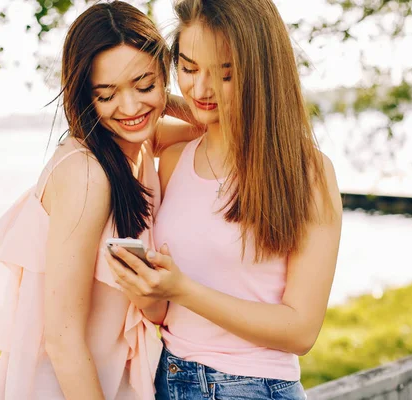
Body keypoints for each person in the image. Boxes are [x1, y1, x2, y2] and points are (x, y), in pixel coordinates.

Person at [106, 0, 343, 399]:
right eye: (189, 68)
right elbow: (168, 313)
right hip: (166, 376)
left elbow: (301, 331)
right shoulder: (176, 159)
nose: (200, 89)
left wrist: (181, 289)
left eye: (225, 74)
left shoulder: (306, 172)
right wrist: (148, 293)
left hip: (251, 386)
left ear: (261, 70)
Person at [0, 2, 200, 399]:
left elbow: (218, 124)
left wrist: (162, 98)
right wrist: (150, 93)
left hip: (108, 377)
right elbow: (62, 338)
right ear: (84, 96)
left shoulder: (134, 143)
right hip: (65, 386)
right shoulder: (87, 174)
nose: (128, 108)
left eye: (143, 84)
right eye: (106, 95)